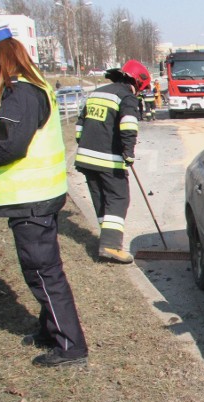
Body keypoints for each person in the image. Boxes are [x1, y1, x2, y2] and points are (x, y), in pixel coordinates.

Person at [0, 23, 88, 367]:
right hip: (38, 196)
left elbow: (4, 148)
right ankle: (50, 331)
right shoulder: (25, 87)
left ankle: (71, 347)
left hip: (32, 199)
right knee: (42, 270)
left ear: (2, 52)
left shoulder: (21, 93)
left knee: (43, 273)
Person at [74, 60, 150, 264]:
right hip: (108, 159)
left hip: (85, 158)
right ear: (137, 82)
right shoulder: (126, 96)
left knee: (101, 198)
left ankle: (106, 240)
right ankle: (110, 246)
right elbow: (128, 127)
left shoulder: (97, 93)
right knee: (118, 199)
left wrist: (84, 144)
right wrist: (128, 152)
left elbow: (80, 125)